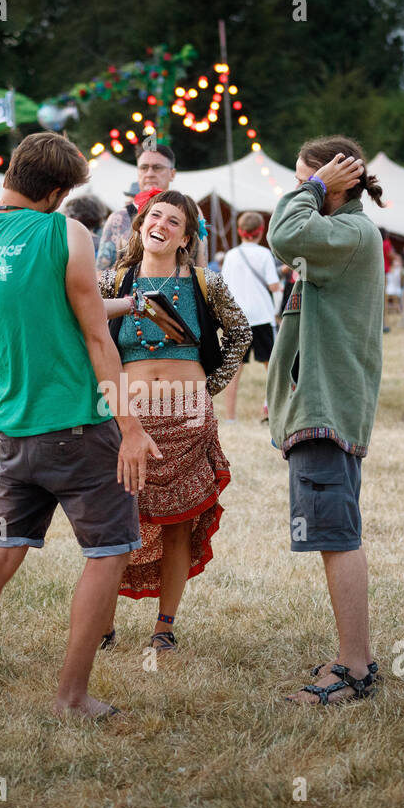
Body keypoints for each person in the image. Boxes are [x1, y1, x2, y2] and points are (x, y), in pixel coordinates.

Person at [0, 132, 158, 719]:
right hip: (79, 422)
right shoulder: (65, 231)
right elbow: (94, 337)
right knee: (108, 552)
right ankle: (71, 696)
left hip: (16, 428)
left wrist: (126, 302)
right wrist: (129, 426)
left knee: (0, 553)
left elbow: (47, 307)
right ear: (57, 191)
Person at [97, 190, 250, 652]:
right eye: (154, 216)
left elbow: (241, 332)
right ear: (141, 225)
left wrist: (209, 387)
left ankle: (165, 627)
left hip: (187, 419)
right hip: (130, 418)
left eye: (174, 221)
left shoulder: (207, 282)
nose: (161, 224)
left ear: (185, 237)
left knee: (180, 523)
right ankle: (102, 623)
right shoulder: (114, 281)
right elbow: (77, 319)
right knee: (116, 518)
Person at [267, 135, 386, 706]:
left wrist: (314, 189)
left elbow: (285, 233)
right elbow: (286, 245)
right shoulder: (340, 235)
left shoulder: (348, 232)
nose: (297, 190)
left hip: (327, 406)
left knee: (337, 537)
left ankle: (355, 671)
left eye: (304, 180)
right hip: (321, 401)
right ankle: (352, 656)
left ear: (336, 181)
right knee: (334, 535)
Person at [219, 211, 280, 423]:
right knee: (272, 368)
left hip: (237, 317)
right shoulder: (264, 254)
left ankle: (230, 417)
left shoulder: (231, 255)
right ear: (261, 231)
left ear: (239, 231)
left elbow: (223, 286)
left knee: (234, 370)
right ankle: (273, 411)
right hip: (262, 315)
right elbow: (274, 285)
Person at [97, 142, 195, 270]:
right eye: (143, 168)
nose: (149, 174)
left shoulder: (189, 215)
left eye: (157, 167)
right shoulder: (119, 219)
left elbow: (201, 269)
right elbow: (101, 273)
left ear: (172, 173)